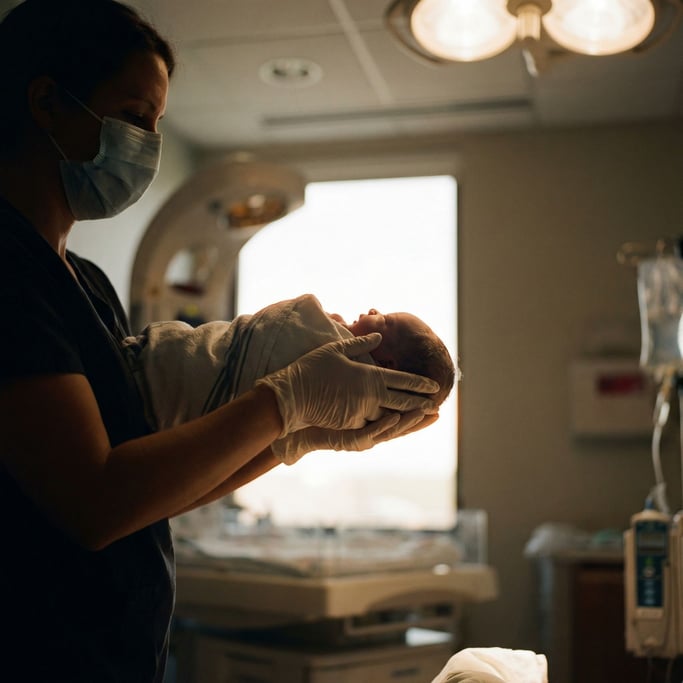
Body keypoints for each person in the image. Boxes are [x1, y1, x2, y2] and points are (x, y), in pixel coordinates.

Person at [0, 2, 440, 681]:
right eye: (136, 116)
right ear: (48, 103)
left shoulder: (83, 283)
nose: (148, 141)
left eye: (156, 123)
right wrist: (280, 404)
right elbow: (93, 500)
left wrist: (292, 439)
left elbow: (154, 486)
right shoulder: (8, 269)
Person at [124, 294, 457, 462]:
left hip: (146, 383)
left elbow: (288, 323)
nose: (372, 311)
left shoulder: (337, 400)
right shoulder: (329, 383)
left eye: (383, 322)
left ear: (384, 359)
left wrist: (307, 436)